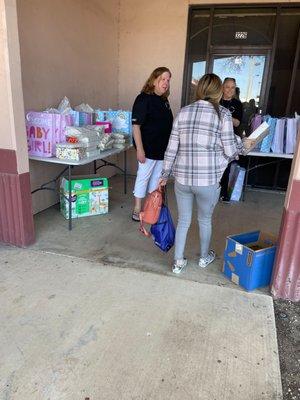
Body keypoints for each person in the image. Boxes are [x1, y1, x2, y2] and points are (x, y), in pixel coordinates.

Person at [159, 73, 249, 274]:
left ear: (199, 90)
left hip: (182, 179)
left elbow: (171, 147)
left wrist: (165, 174)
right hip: (207, 180)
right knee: (204, 220)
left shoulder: (183, 112)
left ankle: (178, 262)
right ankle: (203, 257)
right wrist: (243, 147)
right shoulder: (223, 114)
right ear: (218, 91)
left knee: (183, 219)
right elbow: (230, 150)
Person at [131, 67, 173, 221]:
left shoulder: (164, 100)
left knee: (156, 181)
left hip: (162, 150)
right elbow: (136, 126)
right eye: (163, 79)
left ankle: (150, 208)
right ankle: (137, 209)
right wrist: (139, 149)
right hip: (147, 149)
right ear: (154, 80)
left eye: (168, 80)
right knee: (143, 177)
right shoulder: (143, 98)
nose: (166, 83)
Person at [219, 77, 244, 202]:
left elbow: (237, 123)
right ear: (223, 87)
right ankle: (211, 191)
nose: (229, 90)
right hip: (215, 139)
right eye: (227, 87)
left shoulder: (237, 104)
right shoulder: (216, 100)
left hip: (229, 140)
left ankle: (223, 194)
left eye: (232, 87)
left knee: (226, 167)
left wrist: (226, 115)